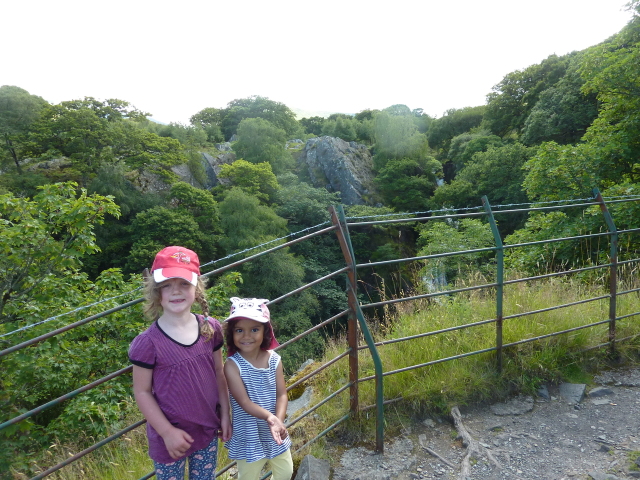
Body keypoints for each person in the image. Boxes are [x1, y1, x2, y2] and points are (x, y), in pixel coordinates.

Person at [129, 246, 231, 480]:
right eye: (167, 285)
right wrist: (167, 432)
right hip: (169, 440)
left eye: (184, 283)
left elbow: (219, 372)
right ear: (157, 292)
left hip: (207, 429)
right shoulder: (148, 342)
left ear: (197, 288)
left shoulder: (210, 328)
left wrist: (225, 414)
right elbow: (142, 392)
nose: (176, 291)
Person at [223, 297, 293, 480]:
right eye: (239, 330)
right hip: (249, 433)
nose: (247, 336)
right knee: (249, 476)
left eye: (254, 329)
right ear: (231, 333)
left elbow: (281, 394)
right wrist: (270, 418)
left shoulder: (274, 360)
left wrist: (278, 421)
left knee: (285, 473)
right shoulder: (232, 365)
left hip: (274, 430)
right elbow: (244, 402)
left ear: (265, 331)